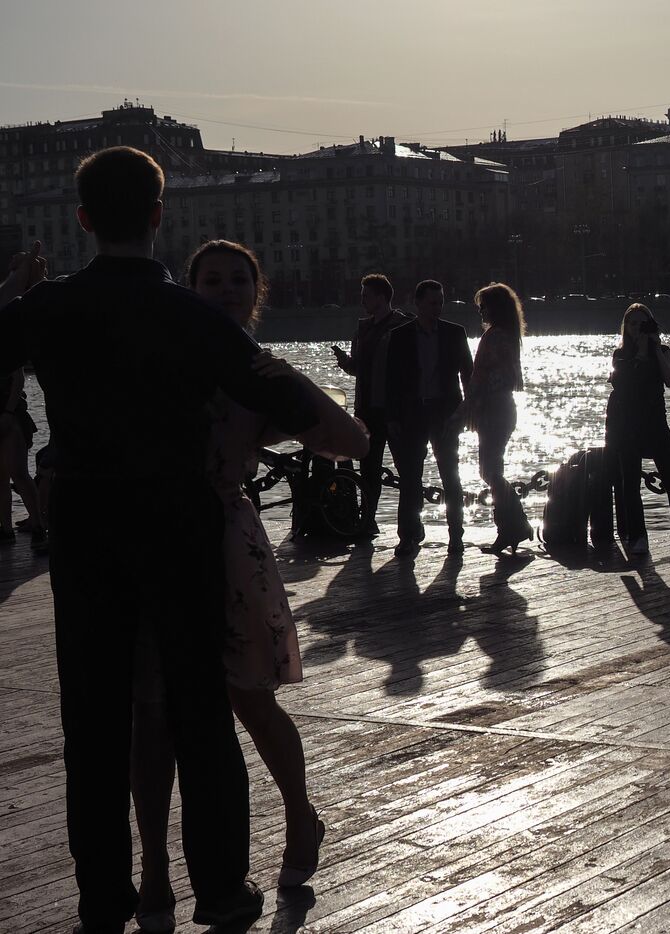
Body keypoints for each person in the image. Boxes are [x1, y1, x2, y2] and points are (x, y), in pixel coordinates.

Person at [0, 147, 363, 934]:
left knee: (95, 722)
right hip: (180, 526)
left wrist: (13, 299)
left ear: (83, 219)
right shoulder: (195, 318)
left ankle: (105, 898)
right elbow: (319, 422)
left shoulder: (48, 309)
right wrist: (346, 433)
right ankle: (222, 891)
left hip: (89, 530)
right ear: (160, 216)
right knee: (201, 714)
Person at [128, 240, 365, 931]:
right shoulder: (166, 362)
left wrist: (293, 378)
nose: (225, 289)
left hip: (228, 544)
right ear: (188, 287)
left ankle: (300, 816)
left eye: (239, 280)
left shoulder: (255, 375)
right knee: (153, 717)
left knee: (249, 702)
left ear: (257, 292)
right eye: (211, 279)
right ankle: (153, 871)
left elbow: (351, 440)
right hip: (160, 541)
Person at [605, 303, 670, 557]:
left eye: (643, 323)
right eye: (633, 324)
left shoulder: (662, 351)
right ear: (626, 327)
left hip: (656, 424)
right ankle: (639, 537)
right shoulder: (620, 355)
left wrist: (655, 349)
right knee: (630, 484)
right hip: (628, 426)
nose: (638, 328)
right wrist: (638, 353)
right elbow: (620, 384)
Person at [383, 279, 474, 557]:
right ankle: (408, 536)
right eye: (432, 302)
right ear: (418, 302)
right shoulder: (400, 336)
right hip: (413, 414)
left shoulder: (454, 333)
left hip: (444, 413)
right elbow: (391, 381)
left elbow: (467, 375)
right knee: (410, 478)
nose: (437, 308)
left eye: (441, 302)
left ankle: (456, 536)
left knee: (451, 475)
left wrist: (466, 411)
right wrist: (392, 418)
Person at [454, 282, 531, 554]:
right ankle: (513, 526)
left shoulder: (495, 337)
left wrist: (469, 405)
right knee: (491, 470)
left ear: (494, 308)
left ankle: (514, 525)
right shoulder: (507, 335)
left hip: (495, 410)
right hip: (502, 409)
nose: (481, 312)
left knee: (490, 471)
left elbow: (492, 378)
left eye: (483, 307)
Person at [332, 273, 410, 538]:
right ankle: (368, 520)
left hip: (394, 411)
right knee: (369, 469)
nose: (362, 300)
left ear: (381, 297)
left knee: (405, 468)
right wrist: (345, 362)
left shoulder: (402, 326)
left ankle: (408, 528)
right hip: (367, 410)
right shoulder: (363, 329)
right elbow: (360, 369)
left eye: (366, 295)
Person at [0, 365, 45, 549]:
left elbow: (18, 378)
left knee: (18, 472)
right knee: (1, 477)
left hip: (10, 414)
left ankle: (38, 526)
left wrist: (9, 412)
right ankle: (6, 529)